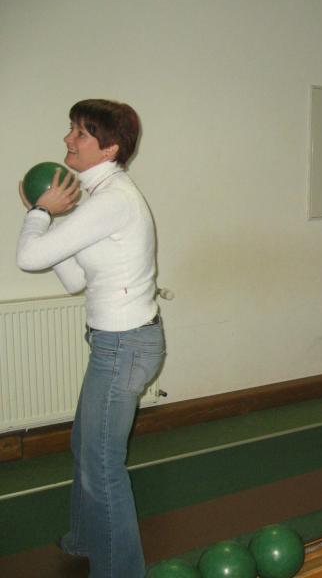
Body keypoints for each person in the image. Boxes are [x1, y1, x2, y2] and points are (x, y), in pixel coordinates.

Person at [17, 99, 165, 577]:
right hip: (116, 344)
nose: (68, 139)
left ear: (110, 147)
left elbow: (29, 258)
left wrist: (39, 213)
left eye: (80, 133)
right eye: (72, 129)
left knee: (103, 467)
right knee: (87, 447)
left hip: (124, 347)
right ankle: (85, 539)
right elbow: (75, 279)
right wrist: (52, 218)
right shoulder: (103, 199)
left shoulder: (113, 200)